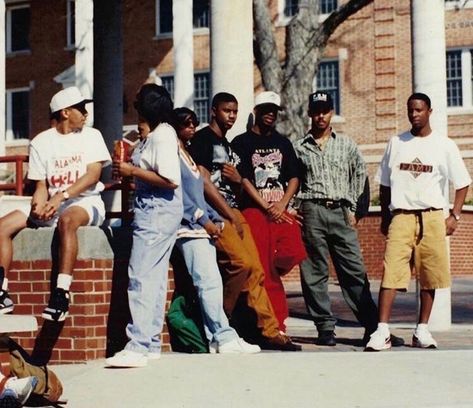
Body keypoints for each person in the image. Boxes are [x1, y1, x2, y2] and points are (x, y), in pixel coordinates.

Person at [188, 92, 301, 351]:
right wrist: (227, 212)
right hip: (217, 213)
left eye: (235, 111)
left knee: (257, 269)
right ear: (214, 110)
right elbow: (203, 182)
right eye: (227, 110)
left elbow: (238, 184)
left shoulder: (229, 145)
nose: (231, 116)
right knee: (242, 264)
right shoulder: (203, 140)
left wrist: (239, 181)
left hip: (234, 210)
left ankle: (270, 331)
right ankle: (221, 323)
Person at [365, 92, 471, 351]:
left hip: (433, 216)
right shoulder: (397, 142)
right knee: (391, 271)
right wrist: (386, 215)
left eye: (419, 110)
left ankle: (422, 330)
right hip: (401, 215)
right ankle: (382, 331)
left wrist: (454, 215)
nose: (414, 114)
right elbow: (385, 183)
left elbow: (462, 183)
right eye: (411, 110)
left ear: (429, 111)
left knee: (429, 275)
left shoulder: (444, 145)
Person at [0, 86, 111, 322]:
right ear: (65, 112)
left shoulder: (92, 136)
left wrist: (60, 197)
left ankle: (61, 294)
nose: (85, 113)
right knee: (3, 226)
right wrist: (38, 206)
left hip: (86, 201)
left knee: (68, 221)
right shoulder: (41, 142)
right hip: (53, 202)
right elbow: (40, 186)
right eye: (81, 108)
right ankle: (2, 292)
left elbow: (93, 175)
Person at [293, 91, 380, 346]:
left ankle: (373, 327)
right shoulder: (299, 147)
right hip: (312, 211)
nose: (321, 116)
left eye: (326, 110)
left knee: (354, 270)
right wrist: (296, 208)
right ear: (310, 113)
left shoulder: (347, 144)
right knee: (314, 271)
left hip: (341, 212)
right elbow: (294, 181)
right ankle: (324, 327)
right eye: (316, 111)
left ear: (332, 112)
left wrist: (353, 210)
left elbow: (360, 177)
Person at [106, 84, 183, 367]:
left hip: (156, 211)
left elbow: (170, 179)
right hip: (159, 211)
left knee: (140, 276)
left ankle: (137, 344)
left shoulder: (162, 135)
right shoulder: (157, 135)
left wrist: (132, 170)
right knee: (155, 278)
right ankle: (150, 341)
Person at [172, 107, 260, 354]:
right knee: (207, 282)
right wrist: (204, 219)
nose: (191, 128)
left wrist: (213, 217)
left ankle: (222, 334)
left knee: (211, 283)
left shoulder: (187, 156)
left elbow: (199, 192)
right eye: (186, 124)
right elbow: (180, 197)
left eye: (193, 123)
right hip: (187, 229)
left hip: (202, 227)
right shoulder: (174, 156)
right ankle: (221, 336)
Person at [231, 91, 307, 333]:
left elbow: (294, 177)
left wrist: (283, 204)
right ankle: (274, 322)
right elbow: (242, 180)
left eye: (274, 111)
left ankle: (269, 314)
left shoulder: (283, 143)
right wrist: (265, 206)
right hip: (254, 210)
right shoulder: (241, 142)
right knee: (262, 267)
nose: (270, 115)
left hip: (279, 208)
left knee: (293, 250)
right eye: (266, 110)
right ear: (256, 112)